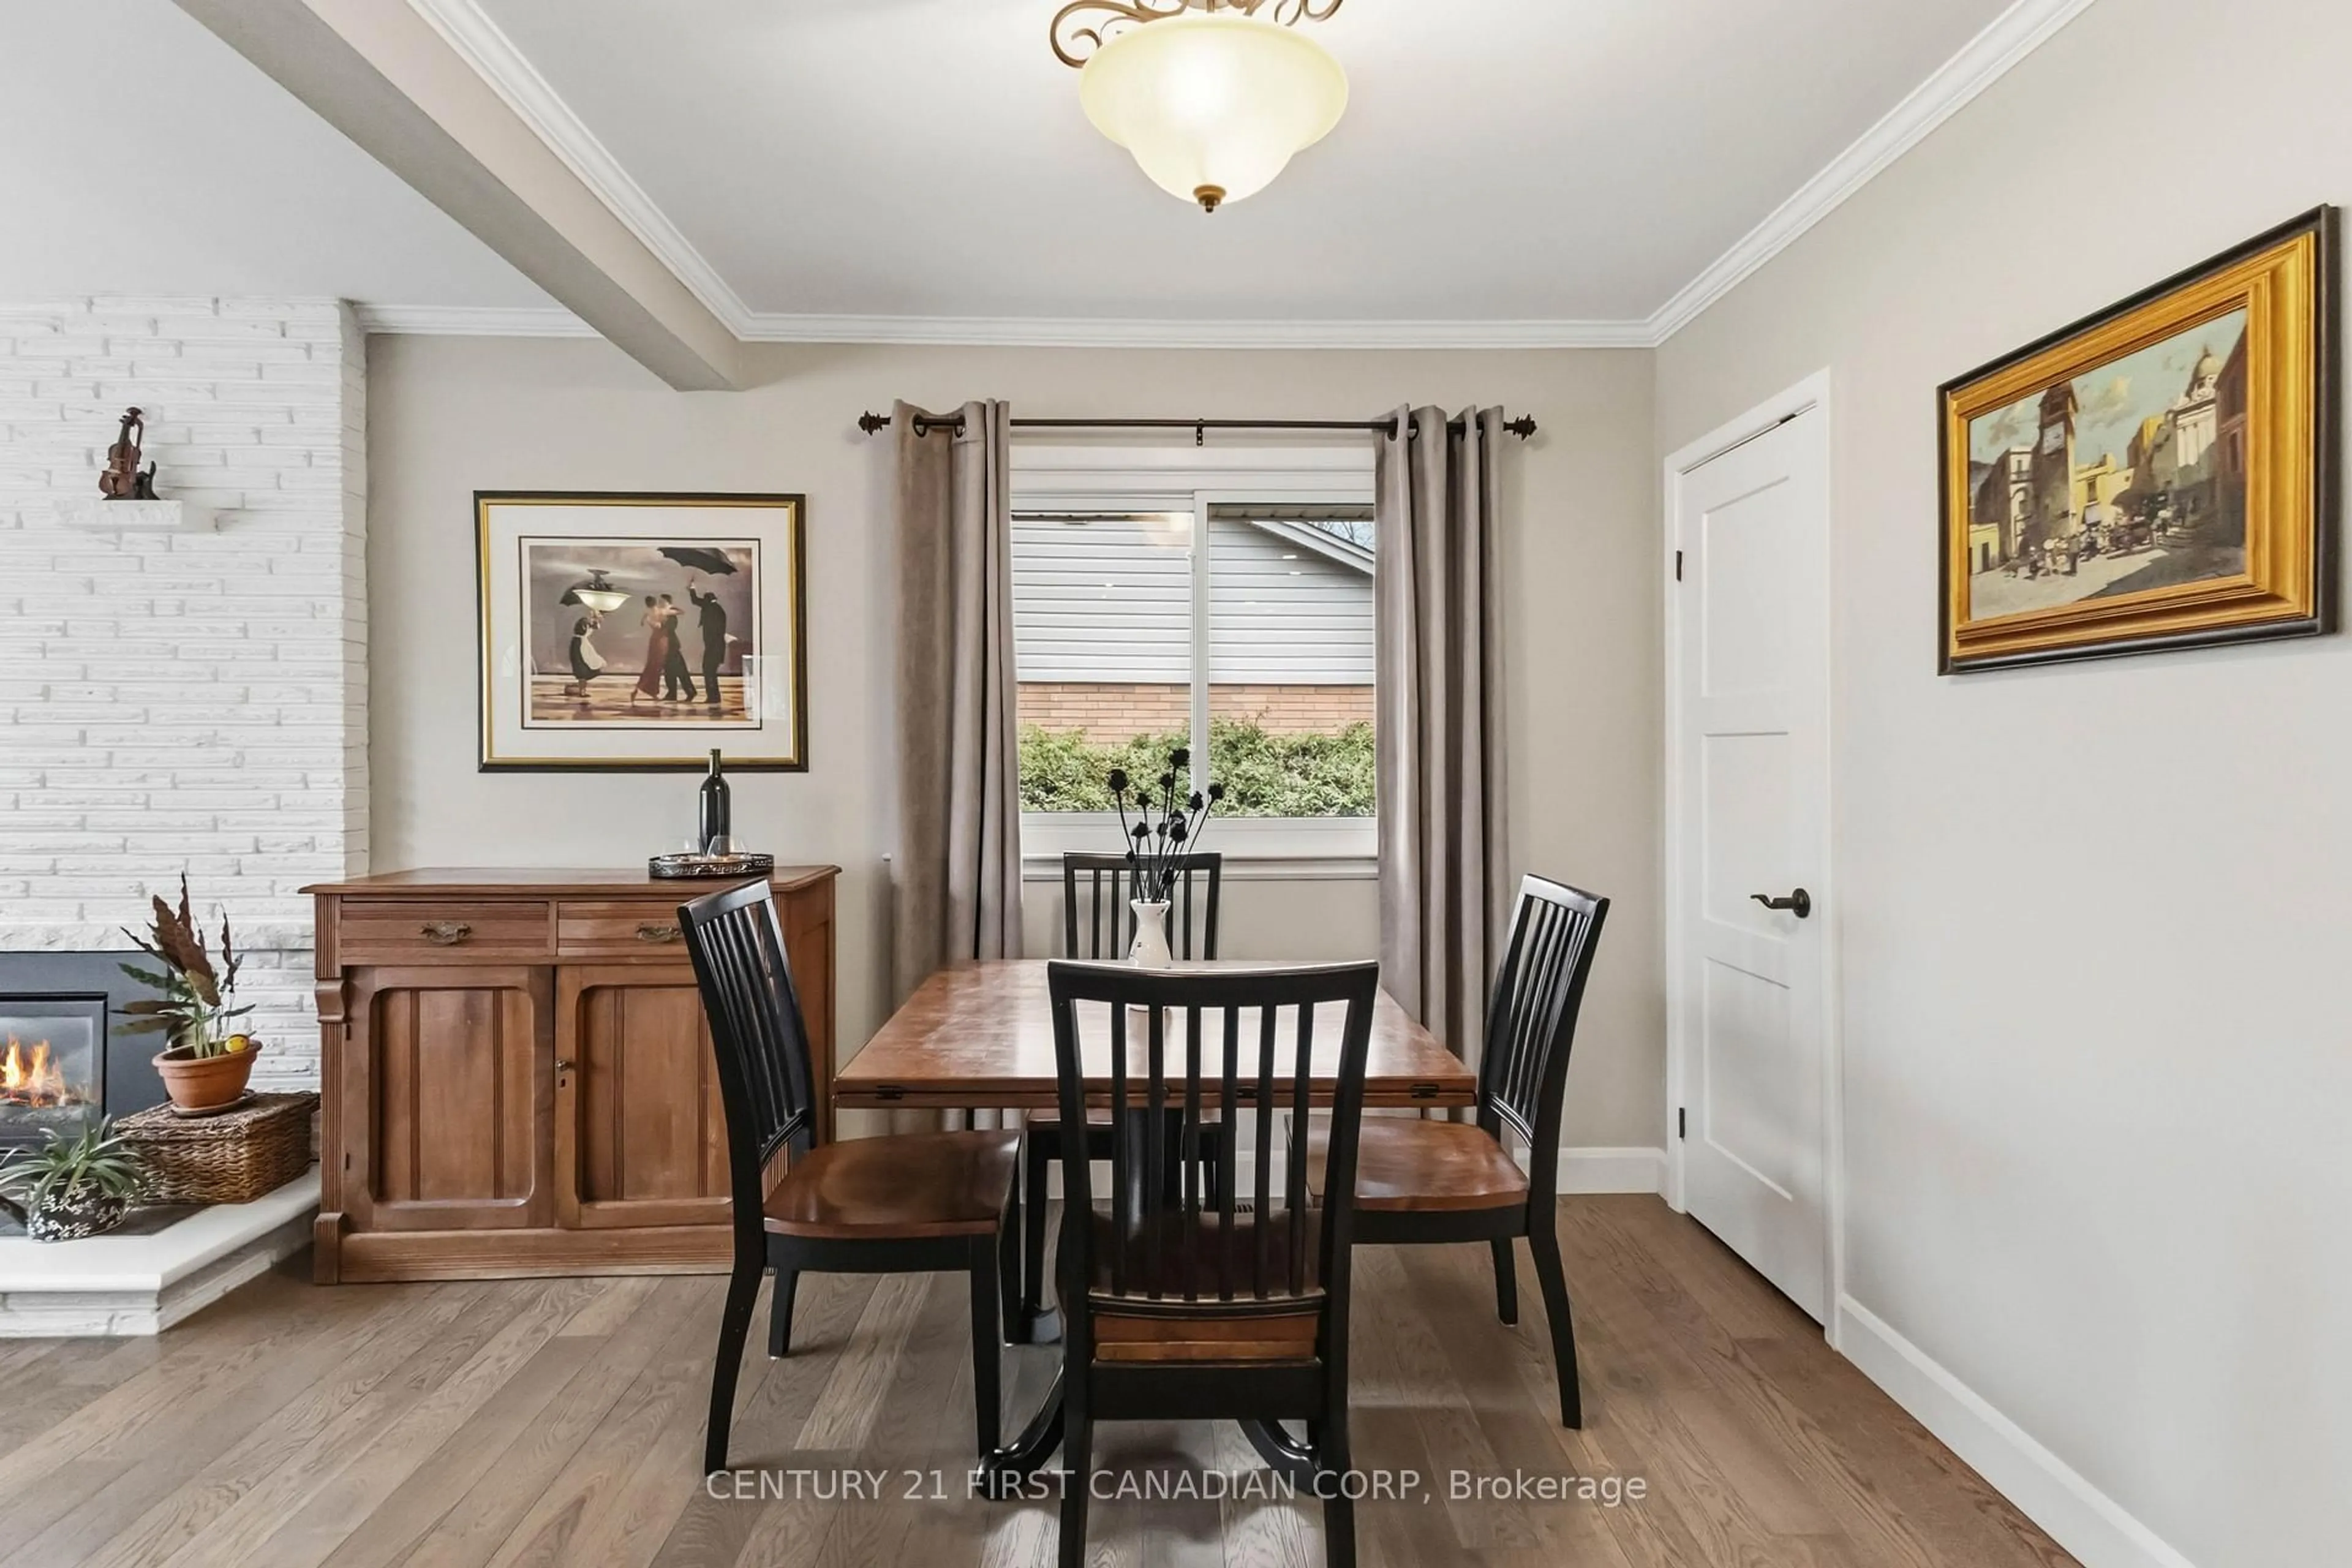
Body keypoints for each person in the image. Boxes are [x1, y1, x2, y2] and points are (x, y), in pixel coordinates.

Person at [687, 581, 728, 709]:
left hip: (713, 647)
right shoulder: (718, 610)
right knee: (710, 671)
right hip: (717, 647)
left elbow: (695, 601)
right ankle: (714, 696)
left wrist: (692, 588)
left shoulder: (710, 609)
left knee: (708, 670)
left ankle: (713, 697)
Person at [657, 593, 696, 702]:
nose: (659, 603)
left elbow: (669, 629)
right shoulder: (665, 614)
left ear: (667, 602)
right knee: (670, 671)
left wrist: (668, 610)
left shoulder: (671, 616)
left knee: (680, 670)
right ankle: (673, 693)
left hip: (672, 645)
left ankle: (689, 692)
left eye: (662, 601)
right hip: (667, 645)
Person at [635, 595, 671, 706]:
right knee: (655, 666)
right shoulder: (658, 611)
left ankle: (644, 690)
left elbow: (646, 618)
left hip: (655, 639)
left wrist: (644, 621)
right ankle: (651, 691)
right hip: (660, 640)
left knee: (653, 665)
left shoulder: (649, 612)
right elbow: (659, 626)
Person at [565, 608, 607, 700]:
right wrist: (594, 620)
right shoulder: (585, 621)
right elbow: (582, 630)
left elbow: (595, 627)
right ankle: (582, 691)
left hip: (582, 644)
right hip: (579, 645)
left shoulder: (590, 623)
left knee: (584, 669)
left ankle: (582, 691)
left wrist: (596, 621)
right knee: (581, 668)